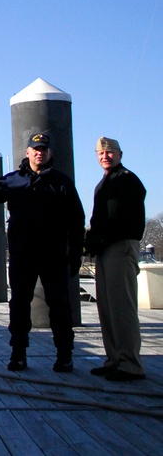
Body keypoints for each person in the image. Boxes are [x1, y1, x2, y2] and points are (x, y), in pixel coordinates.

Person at [0, 133, 85, 372]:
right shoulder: (14, 181)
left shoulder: (62, 182)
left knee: (59, 304)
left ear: (49, 153)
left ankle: (65, 354)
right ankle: (18, 354)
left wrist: (76, 252)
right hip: (22, 254)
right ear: (27, 152)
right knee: (19, 304)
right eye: (35, 149)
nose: (39, 153)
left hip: (53, 255)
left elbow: (77, 219)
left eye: (44, 149)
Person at [84, 137, 147, 382]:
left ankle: (130, 364)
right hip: (105, 249)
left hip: (120, 247)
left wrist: (102, 236)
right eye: (101, 153)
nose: (105, 157)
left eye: (110, 153)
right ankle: (114, 359)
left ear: (120, 154)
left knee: (122, 307)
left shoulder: (128, 180)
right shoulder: (105, 183)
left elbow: (127, 219)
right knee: (107, 307)